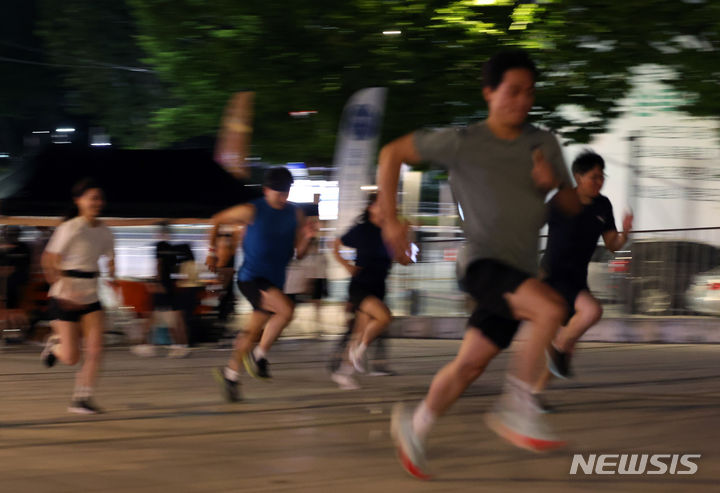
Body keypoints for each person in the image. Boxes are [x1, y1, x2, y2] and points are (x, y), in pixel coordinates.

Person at [378, 49, 582, 478]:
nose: (522, 100)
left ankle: (413, 427)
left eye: (529, 92)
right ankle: (517, 404)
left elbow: (569, 205)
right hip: (483, 265)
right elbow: (392, 153)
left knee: (470, 365)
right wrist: (391, 220)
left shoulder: (543, 142)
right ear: (489, 92)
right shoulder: (462, 142)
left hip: (520, 272)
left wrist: (554, 184)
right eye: (512, 91)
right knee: (551, 308)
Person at [534, 151, 633, 407]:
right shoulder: (561, 200)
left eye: (602, 177)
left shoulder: (603, 206)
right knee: (590, 313)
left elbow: (612, 245)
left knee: (566, 346)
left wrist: (625, 233)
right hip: (553, 276)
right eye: (594, 177)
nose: (599, 182)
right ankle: (555, 351)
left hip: (577, 278)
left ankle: (534, 393)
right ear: (578, 177)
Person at [207, 167, 313, 402]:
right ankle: (259, 355)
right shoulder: (251, 210)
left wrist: (307, 238)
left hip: (275, 281)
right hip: (252, 278)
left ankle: (230, 375)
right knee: (286, 310)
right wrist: (212, 252)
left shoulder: (295, 215)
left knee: (252, 331)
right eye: (278, 193)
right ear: (266, 190)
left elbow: (299, 253)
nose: (283, 198)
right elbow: (216, 220)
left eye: (286, 193)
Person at [40, 178, 115, 414]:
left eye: (99, 198)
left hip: (91, 295)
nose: (97, 203)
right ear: (79, 201)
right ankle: (54, 346)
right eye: (91, 198)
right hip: (65, 295)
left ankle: (82, 398)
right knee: (72, 357)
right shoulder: (70, 228)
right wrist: (62, 288)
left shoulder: (105, 231)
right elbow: (48, 261)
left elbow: (109, 256)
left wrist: (113, 269)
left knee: (95, 350)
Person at [330, 193, 409, 390]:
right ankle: (360, 352)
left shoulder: (390, 231)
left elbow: (405, 260)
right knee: (384, 317)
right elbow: (336, 244)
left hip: (378, 286)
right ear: (371, 208)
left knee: (359, 331)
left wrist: (405, 235)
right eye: (380, 205)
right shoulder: (362, 229)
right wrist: (346, 265)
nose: (385, 209)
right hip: (360, 285)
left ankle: (343, 373)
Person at [130, 222, 193, 358]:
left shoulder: (159, 246)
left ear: (160, 233)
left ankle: (145, 346)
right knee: (173, 318)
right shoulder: (173, 249)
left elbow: (158, 265)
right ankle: (180, 346)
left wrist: (157, 282)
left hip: (162, 286)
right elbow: (176, 268)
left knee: (151, 316)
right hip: (172, 286)